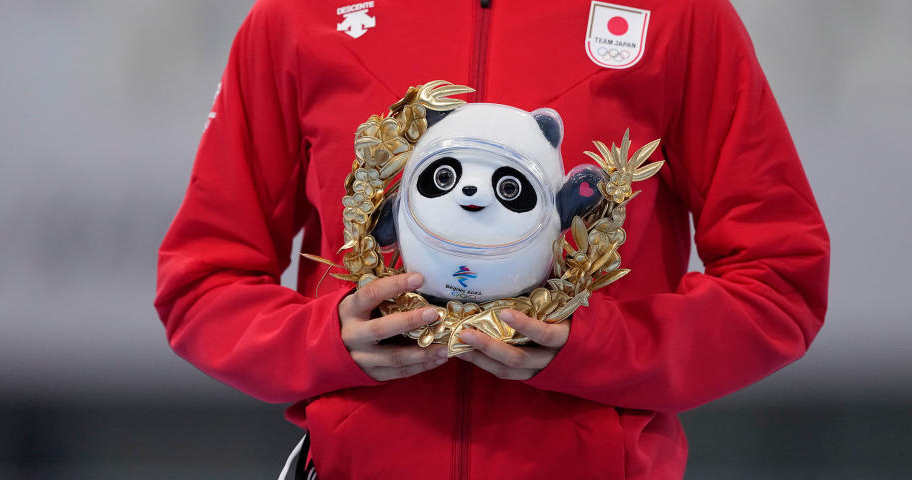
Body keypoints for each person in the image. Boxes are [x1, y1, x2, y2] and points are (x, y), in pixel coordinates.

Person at [155, 0, 829, 478]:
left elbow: (781, 283)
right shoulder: (299, 14)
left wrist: (597, 346)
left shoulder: (679, 15)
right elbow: (200, 284)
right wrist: (327, 339)